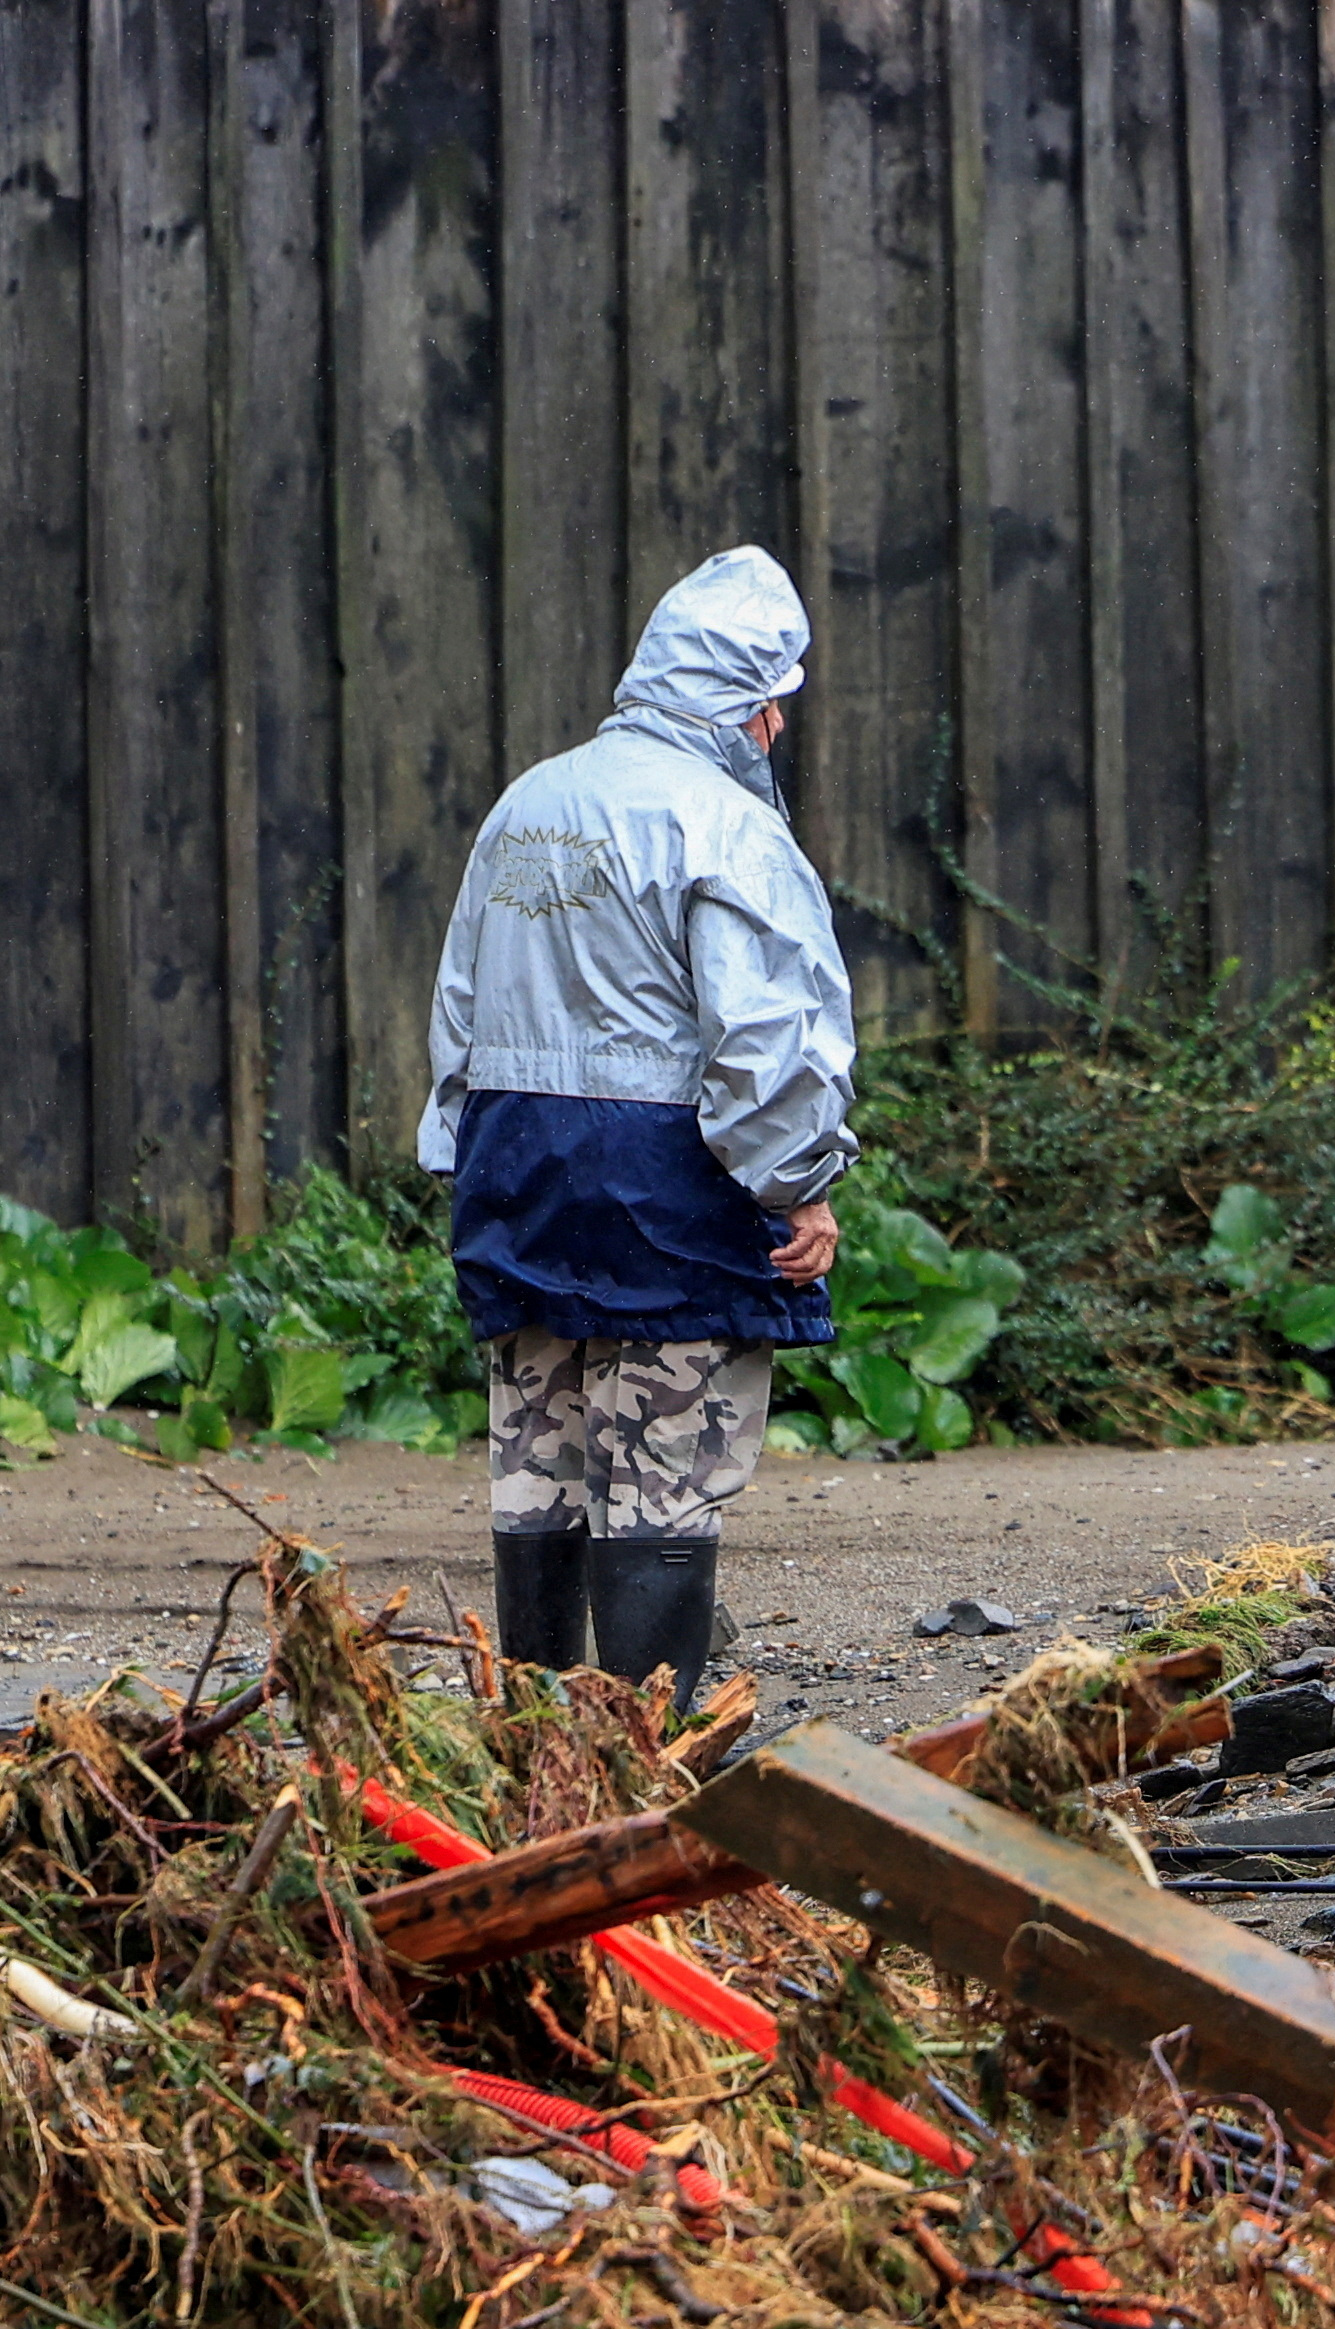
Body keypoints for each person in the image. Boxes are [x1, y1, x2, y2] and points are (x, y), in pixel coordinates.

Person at [418, 546, 855, 1711]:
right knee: (665, 1457)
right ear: (746, 704)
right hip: (667, 1179)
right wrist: (798, 1184)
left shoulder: (531, 801)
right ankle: (639, 1760)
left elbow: (460, 1002)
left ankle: (534, 1749)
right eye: (773, 705)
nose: (774, 729)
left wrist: (457, 1147)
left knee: (537, 1457)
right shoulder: (724, 826)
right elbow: (763, 1038)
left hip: (517, 1169)